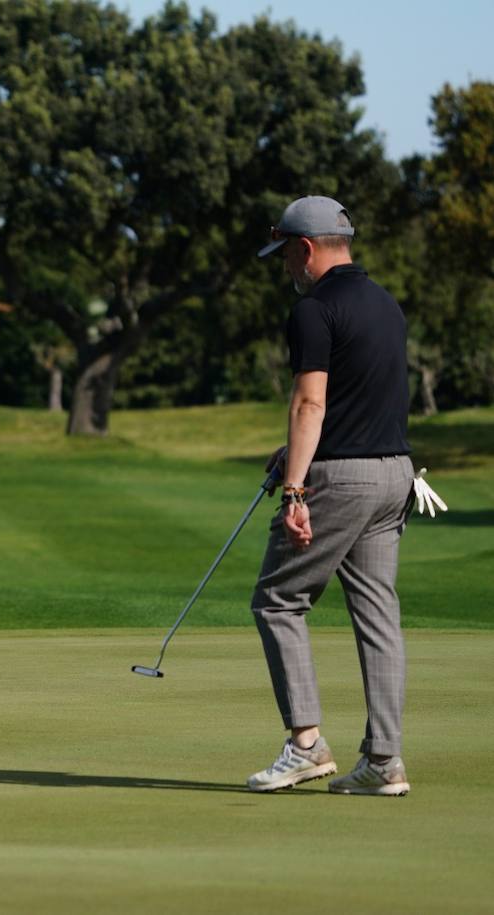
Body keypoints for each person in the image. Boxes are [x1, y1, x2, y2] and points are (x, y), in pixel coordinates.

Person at [245, 195, 415, 796]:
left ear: (307, 247)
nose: (285, 265)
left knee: (278, 600)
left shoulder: (313, 311)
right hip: (396, 474)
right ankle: (384, 763)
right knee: (378, 617)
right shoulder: (385, 305)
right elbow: (358, 401)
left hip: (339, 481)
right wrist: (290, 453)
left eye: (286, 253)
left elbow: (310, 403)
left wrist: (295, 489)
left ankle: (306, 745)